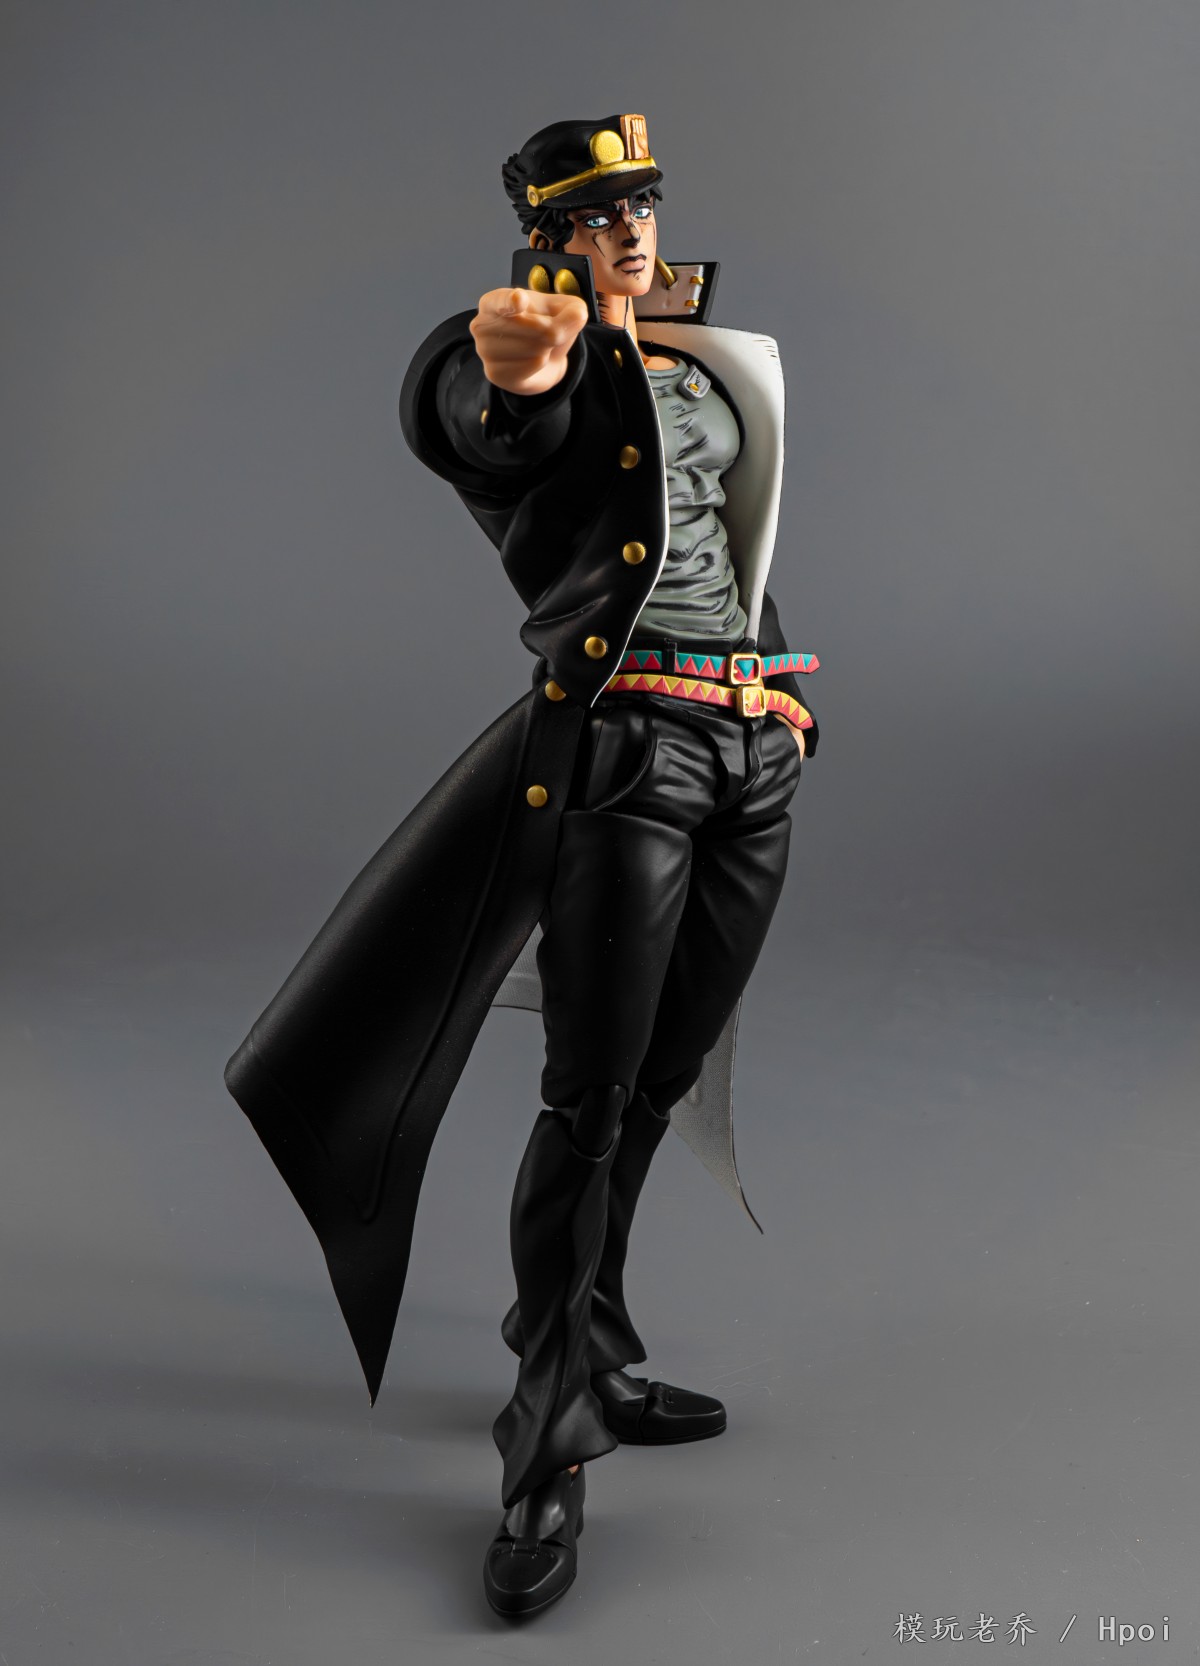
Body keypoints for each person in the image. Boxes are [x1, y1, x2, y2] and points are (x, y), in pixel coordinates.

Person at [225, 113, 819, 1620]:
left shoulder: (696, 352)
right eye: (598, 216)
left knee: (660, 1080)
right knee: (593, 1096)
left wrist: (786, 693)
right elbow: (481, 419)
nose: (630, 230)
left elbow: (724, 540)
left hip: (749, 753)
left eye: (642, 204)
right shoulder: (527, 344)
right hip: (625, 759)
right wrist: (515, 382)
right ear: (547, 238)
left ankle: (590, 1344)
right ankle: (543, 1442)